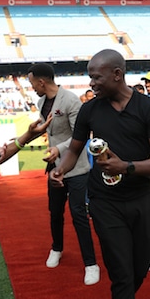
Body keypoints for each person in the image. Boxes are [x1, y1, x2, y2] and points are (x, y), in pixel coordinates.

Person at [50, 49, 150, 299]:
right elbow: (74, 148)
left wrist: (127, 167)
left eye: (97, 76)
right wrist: (61, 169)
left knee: (139, 266)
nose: (92, 83)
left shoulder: (148, 108)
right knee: (120, 272)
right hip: (103, 201)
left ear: (117, 74)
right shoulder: (90, 109)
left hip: (140, 200)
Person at [27, 63, 100, 285]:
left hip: (76, 167)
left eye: (32, 84)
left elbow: (81, 135)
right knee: (55, 212)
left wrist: (58, 149)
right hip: (54, 167)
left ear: (41, 82)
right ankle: (56, 248)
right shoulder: (41, 102)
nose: (32, 88)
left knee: (78, 213)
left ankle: (90, 263)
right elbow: (45, 130)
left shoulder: (70, 101)